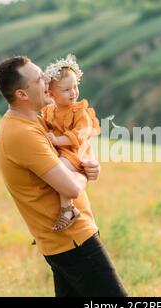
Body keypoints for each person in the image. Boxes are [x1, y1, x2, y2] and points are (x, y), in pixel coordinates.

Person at [0, 56, 127, 297]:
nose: (47, 79)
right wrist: (84, 173)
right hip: (73, 240)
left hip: (65, 240)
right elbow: (72, 188)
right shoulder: (23, 134)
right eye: (38, 79)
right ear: (22, 94)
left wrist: (86, 162)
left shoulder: (32, 122)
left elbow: (72, 151)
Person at [41, 54, 100, 232]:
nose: (73, 92)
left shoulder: (79, 112)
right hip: (63, 150)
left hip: (75, 153)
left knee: (59, 169)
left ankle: (68, 210)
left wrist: (57, 140)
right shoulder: (50, 110)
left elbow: (79, 135)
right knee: (51, 174)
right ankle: (50, 215)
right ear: (52, 94)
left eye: (75, 87)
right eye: (67, 90)